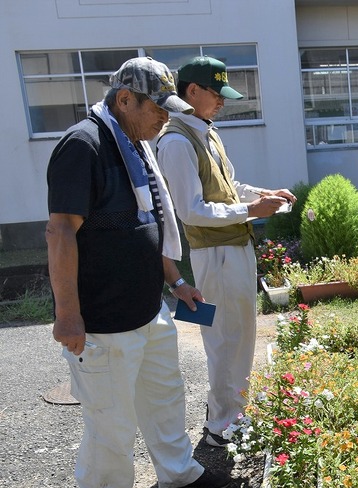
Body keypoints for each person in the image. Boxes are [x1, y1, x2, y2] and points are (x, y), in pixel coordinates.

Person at [46, 57, 231, 488]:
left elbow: (147, 224)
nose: (164, 118)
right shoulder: (83, 145)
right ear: (124, 99)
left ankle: (177, 473)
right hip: (103, 318)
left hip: (149, 308)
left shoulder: (135, 145)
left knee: (164, 397)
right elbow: (61, 230)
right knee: (110, 420)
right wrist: (67, 314)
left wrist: (175, 281)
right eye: (157, 108)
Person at [156, 56, 295, 447]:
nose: (222, 102)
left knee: (241, 335)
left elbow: (229, 184)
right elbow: (192, 210)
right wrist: (252, 210)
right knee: (223, 341)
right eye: (216, 94)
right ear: (192, 91)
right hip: (213, 254)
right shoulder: (177, 141)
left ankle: (236, 414)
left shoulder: (205, 132)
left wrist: (263, 194)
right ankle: (221, 426)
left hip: (232, 247)